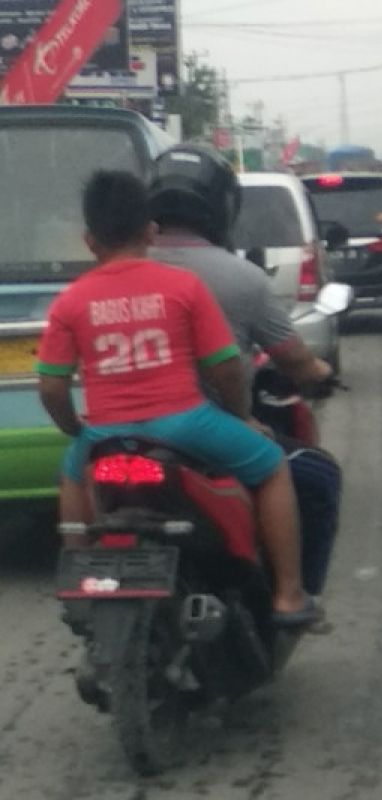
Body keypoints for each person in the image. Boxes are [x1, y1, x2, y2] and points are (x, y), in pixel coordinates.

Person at [35, 170, 318, 627]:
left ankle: (83, 577)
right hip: (186, 424)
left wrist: (77, 431)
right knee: (272, 468)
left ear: (89, 241)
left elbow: (50, 387)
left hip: (106, 433)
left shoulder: (70, 301)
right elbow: (225, 366)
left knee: (71, 478)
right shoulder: (182, 287)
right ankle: (287, 595)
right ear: (150, 231)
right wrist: (241, 415)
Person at [145, 144, 343, 600]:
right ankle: (291, 595)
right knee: (313, 476)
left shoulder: (114, 274)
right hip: (201, 427)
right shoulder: (240, 278)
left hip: (120, 426)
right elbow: (267, 364)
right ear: (221, 206)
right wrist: (317, 371)